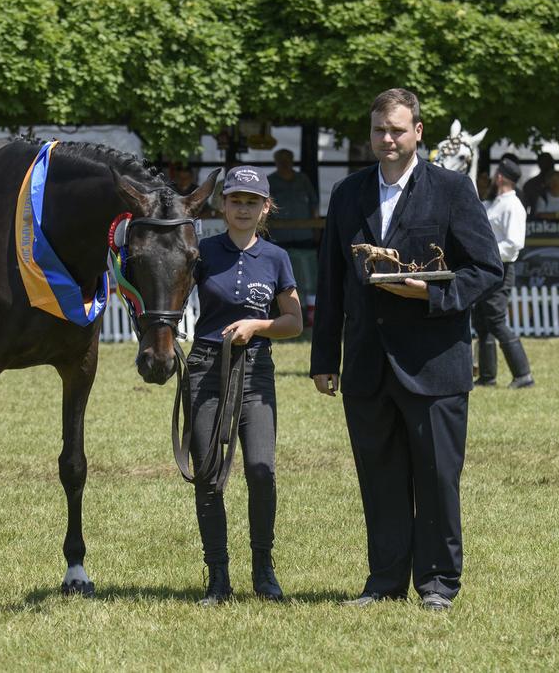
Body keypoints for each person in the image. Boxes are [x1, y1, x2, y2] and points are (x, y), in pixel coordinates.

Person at [310, 88, 502, 612]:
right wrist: (325, 359)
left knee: (438, 478)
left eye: (397, 129)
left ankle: (439, 584)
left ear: (419, 132)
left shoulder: (452, 189)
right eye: (379, 130)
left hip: (434, 363)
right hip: (367, 365)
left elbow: (487, 269)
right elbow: (331, 281)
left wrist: (433, 293)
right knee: (380, 477)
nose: (387, 139)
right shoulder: (347, 194)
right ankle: (384, 581)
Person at [186, 165, 303, 605]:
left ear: (265, 207)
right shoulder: (202, 251)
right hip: (205, 368)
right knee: (209, 477)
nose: (242, 208)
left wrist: (257, 325)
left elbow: (293, 323)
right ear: (223, 204)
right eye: (235, 200)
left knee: (261, 469)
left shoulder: (276, 258)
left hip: (255, 371)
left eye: (251, 201)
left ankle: (264, 569)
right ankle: (218, 577)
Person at [474, 159, 534, 388]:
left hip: (501, 268)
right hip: (487, 268)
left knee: (496, 321)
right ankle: (488, 377)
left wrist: (485, 253)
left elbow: (514, 244)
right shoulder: (493, 203)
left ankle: (523, 375)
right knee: (481, 321)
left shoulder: (513, 206)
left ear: (500, 177)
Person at [267, 148, 319, 248]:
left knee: (305, 263)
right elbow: (264, 207)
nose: (284, 163)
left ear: (292, 161)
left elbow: (314, 203)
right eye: (281, 160)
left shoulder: (303, 179)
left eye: (287, 160)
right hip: (279, 236)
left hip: (304, 234)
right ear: (276, 162)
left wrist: (316, 228)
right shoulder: (269, 181)